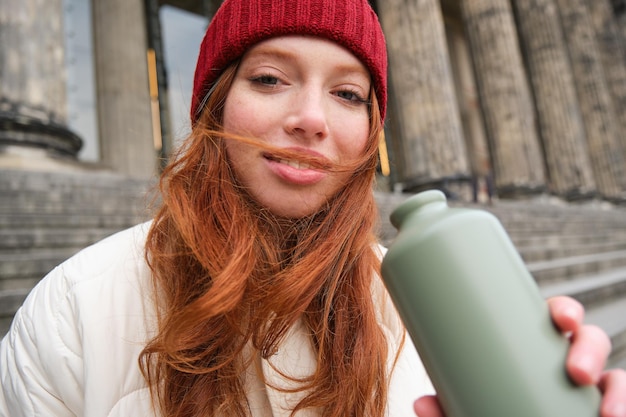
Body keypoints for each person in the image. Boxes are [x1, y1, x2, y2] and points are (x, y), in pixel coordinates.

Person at [1, 0, 625, 416]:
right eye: (270, 79)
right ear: (215, 106)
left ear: (371, 133)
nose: (310, 120)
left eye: (348, 94)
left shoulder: (432, 306)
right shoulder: (71, 310)